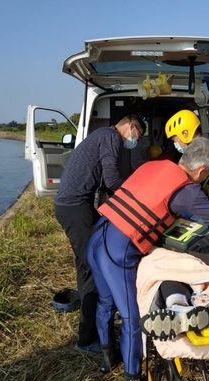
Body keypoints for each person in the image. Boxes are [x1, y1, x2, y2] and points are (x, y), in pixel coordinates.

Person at [86, 137, 209, 381]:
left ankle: (107, 359)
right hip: (118, 249)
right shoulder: (188, 191)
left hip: (98, 234)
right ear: (203, 171)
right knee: (131, 318)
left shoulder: (155, 165)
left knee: (105, 302)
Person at [54, 114, 146, 353]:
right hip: (75, 207)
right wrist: (139, 197)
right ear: (131, 126)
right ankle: (88, 339)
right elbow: (112, 178)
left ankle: (97, 323)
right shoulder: (112, 137)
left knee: (88, 262)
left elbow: (105, 184)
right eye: (138, 135)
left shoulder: (102, 136)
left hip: (74, 205)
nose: (135, 141)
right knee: (93, 269)